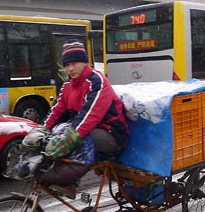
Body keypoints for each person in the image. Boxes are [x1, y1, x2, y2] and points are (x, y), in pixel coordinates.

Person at [22, 39, 129, 199]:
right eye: (66, 65)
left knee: (79, 136)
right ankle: (67, 181)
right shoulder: (68, 85)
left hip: (112, 134)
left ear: (84, 62)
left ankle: (68, 180)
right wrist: (41, 130)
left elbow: (89, 117)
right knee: (58, 131)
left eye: (74, 63)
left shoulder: (97, 81)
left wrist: (67, 139)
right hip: (88, 130)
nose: (70, 69)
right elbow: (56, 112)